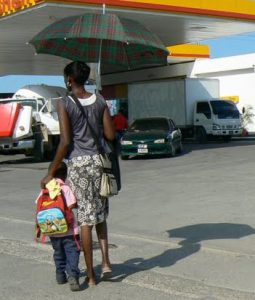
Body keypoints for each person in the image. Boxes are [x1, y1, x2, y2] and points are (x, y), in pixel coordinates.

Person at [40, 61, 115, 287]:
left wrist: (51, 171)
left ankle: (91, 276)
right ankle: (106, 263)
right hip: (99, 162)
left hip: (79, 164)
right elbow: (110, 135)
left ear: (69, 80)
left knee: (84, 220)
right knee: (100, 214)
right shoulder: (100, 100)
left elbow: (65, 141)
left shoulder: (65, 102)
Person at [36, 162, 80, 292]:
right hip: (69, 230)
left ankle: (60, 275)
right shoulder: (64, 187)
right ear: (65, 174)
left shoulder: (45, 188)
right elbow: (71, 205)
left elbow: (38, 204)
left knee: (58, 253)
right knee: (72, 252)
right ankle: (72, 275)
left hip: (52, 230)